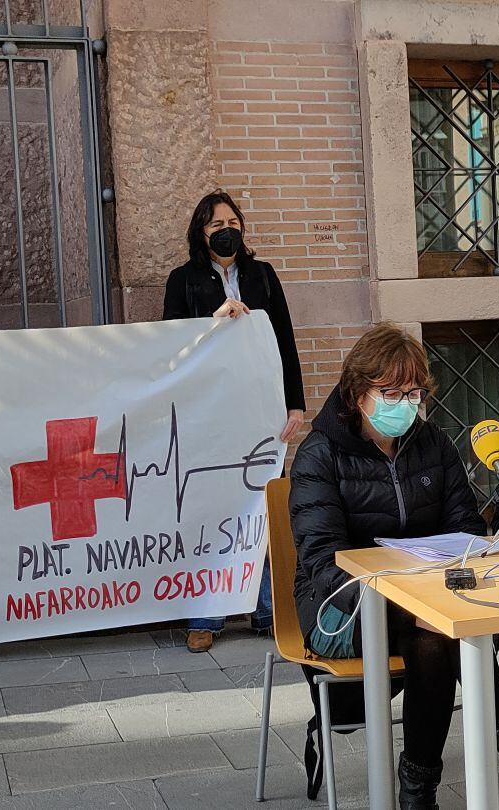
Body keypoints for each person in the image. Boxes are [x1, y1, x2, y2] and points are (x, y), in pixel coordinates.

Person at [290, 324, 499, 810]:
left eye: (413, 393)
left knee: (434, 635)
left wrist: (491, 543)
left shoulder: (434, 444)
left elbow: (464, 528)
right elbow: (323, 561)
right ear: (357, 392)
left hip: (433, 600)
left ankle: (418, 792)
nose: (404, 404)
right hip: (341, 607)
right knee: (440, 629)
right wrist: (400, 589)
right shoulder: (319, 454)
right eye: (391, 392)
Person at [163, 190, 307, 653]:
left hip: (262, 411)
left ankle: (269, 609)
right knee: (212, 510)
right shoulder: (182, 281)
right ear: (200, 234)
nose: (225, 229)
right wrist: (214, 322)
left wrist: (296, 405)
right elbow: (172, 349)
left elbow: (285, 340)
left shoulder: (262, 276)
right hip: (211, 416)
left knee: (265, 505)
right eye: (214, 224)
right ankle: (206, 615)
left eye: (231, 220)